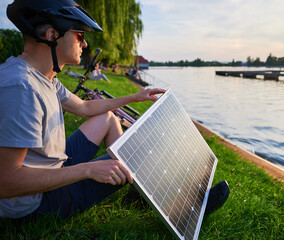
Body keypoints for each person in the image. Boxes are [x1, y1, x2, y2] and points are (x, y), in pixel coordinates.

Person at [0, 0, 229, 221]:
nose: (85, 44)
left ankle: (136, 188)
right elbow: (6, 182)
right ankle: (182, 207)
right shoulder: (22, 88)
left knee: (107, 119)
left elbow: (85, 106)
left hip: (51, 168)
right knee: (137, 153)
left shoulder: (43, 76)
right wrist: (87, 170)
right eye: (79, 35)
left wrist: (135, 96)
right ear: (51, 36)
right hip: (35, 204)